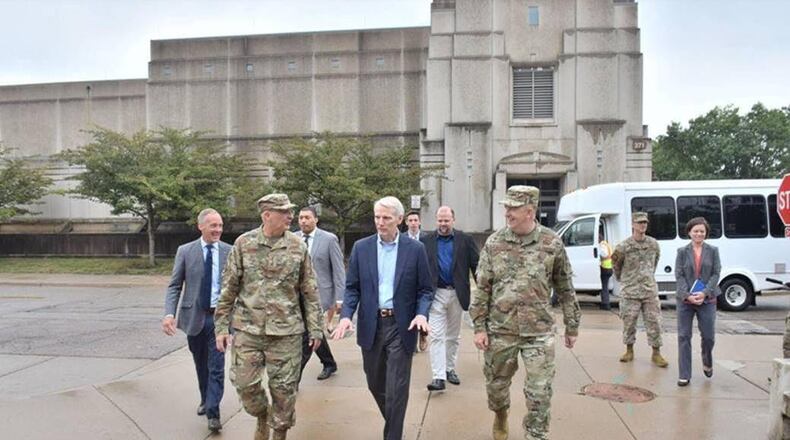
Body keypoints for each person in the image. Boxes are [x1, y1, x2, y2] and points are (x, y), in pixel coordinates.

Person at [470, 186, 580, 440]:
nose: (507, 212)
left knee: (540, 392)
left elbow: (565, 285)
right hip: (501, 330)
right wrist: (478, 327)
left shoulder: (552, 243)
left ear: (530, 211)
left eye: (512, 208)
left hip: (539, 332)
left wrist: (572, 325)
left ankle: (535, 434)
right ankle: (501, 414)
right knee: (496, 388)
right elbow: (482, 288)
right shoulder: (494, 243)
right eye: (506, 207)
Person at [214, 194, 322, 440]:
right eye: (284, 212)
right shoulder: (243, 244)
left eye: (290, 212)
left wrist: (316, 329)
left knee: (284, 391)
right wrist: (221, 327)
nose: (290, 217)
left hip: (287, 332)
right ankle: (262, 415)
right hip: (248, 330)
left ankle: (279, 433)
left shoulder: (297, 246)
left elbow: (310, 291)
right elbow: (228, 288)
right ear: (267, 215)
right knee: (245, 386)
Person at [331, 196, 433, 440]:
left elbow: (425, 290)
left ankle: (393, 435)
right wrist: (346, 316)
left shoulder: (415, 250)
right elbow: (352, 288)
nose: (380, 222)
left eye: (386, 218)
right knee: (375, 384)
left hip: (402, 325)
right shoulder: (361, 248)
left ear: (399, 219)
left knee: (397, 388)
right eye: (377, 217)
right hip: (372, 325)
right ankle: (395, 423)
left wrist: (421, 313)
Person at [162, 208, 231, 433]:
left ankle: (213, 412)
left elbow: (238, 287)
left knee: (217, 366)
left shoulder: (229, 252)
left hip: (219, 319)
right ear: (200, 226)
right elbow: (175, 285)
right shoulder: (185, 251)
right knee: (201, 363)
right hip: (194, 317)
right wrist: (169, 314)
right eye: (213, 226)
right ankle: (206, 398)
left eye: (220, 225)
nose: (218, 230)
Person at [422, 205, 479, 391]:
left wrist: (484, 293)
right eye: (440, 220)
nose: (443, 224)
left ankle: (449, 369)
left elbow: (476, 267)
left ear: (453, 220)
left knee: (453, 336)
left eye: (446, 220)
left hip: (457, 293)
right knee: (437, 335)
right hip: (436, 293)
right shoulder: (426, 241)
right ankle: (438, 377)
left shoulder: (465, 240)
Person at [611, 212, 668, 367]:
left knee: (654, 322)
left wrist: (646, 277)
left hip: (649, 290)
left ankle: (656, 353)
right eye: (639, 222)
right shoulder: (623, 247)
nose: (643, 225)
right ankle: (629, 350)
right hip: (630, 291)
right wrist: (626, 280)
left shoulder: (653, 244)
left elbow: (654, 263)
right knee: (629, 322)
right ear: (633, 225)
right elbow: (616, 266)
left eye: (645, 223)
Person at [295, 206, 345, 381]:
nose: (303, 221)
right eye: (301, 218)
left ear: (316, 219)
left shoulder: (329, 239)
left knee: (308, 334)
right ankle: (329, 362)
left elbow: (338, 270)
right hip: (297, 296)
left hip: (320, 295)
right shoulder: (292, 239)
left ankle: (294, 377)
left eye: (307, 217)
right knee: (314, 331)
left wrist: (340, 298)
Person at [674, 217, 721, 386]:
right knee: (683, 336)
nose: (699, 233)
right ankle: (684, 374)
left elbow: (716, 273)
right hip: (685, 301)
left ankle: (707, 360)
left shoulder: (713, 251)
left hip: (707, 300)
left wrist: (704, 293)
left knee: (708, 336)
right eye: (695, 231)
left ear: (706, 233)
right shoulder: (681, 252)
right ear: (689, 232)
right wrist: (687, 295)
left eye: (702, 231)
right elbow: (678, 275)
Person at [405, 210, 429, 352]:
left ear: (419, 222)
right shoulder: (401, 239)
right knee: (409, 310)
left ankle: (423, 334)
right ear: (406, 222)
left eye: (415, 220)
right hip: (408, 280)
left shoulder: (427, 239)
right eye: (411, 220)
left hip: (423, 278)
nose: (413, 223)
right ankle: (411, 340)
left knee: (423, 308)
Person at [599, 222, 614, 311]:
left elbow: (604, 254)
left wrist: (599, 255)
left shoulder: (602, 245)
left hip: (605, 267)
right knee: (605, 286)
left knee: (604, 286)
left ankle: (606, 304)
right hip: (609, 267)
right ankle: (605, 302)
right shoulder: (606, 244)